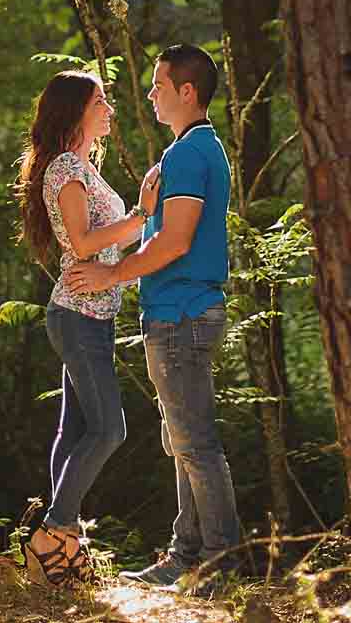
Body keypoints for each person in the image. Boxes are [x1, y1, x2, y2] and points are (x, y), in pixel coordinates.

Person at [63, 43, 243, 593]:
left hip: (182, 314)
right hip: (177, 313)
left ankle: (219, 564)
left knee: (196, 444)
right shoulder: (192, 149)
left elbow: (176, 240)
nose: (149, 94)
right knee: (182, 440)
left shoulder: (189, 154)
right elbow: (160, 231)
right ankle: (186, 556)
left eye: (159, 85)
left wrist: (110, 277)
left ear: (187, 92)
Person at [7, 68, 158, 588]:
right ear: (75, 111)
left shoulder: (81, 167)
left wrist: (137, 220)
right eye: (101, 102)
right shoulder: (66, 169)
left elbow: (101, 242)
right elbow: (83, 241)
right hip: (77, 317)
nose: (110, 111)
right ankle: (53, 533)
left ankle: (64, 549)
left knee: (74, 432)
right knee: (109, 429)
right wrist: (141, 215)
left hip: (91, 317)